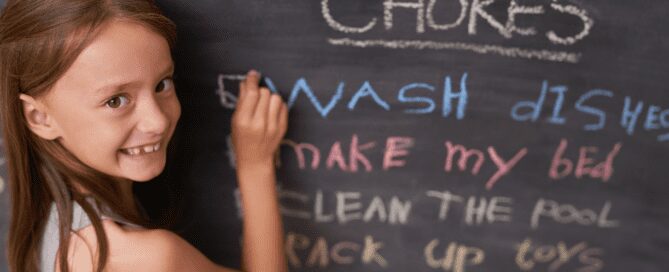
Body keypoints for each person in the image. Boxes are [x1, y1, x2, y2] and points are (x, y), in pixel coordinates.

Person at [0, 0, 288, 271]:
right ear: (40, 117)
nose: (158, 121)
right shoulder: (143, 258)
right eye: (115, 101)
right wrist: (255, 166)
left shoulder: (52, 222)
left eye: (162, 84)